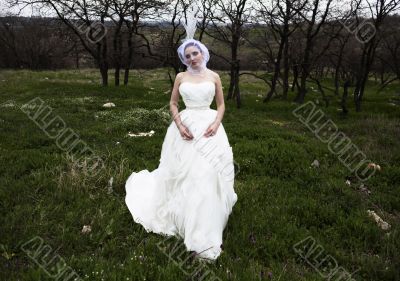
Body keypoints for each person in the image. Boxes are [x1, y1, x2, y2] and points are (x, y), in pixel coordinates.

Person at [125, 9, 237, 261]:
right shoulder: (180, 77)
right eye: (187, 55)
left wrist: (217, 123)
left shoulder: (215, 77)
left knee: (208, 174)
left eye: (195, 53)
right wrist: (179, 124)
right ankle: (186, 220)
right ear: (184, 59)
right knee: (186, 175)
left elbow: (221, 105)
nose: (192, 58)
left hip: (209, 126)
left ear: (202, 53)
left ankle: (207, 226)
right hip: (185, 127)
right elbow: (173, 104)